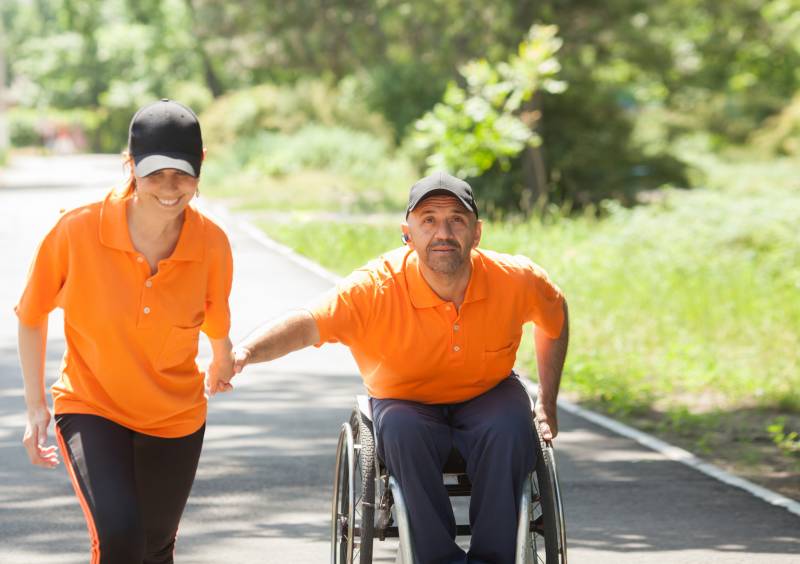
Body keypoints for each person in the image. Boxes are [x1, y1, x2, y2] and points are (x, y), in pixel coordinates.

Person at [230, 171, 569, 564]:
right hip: (406, 401)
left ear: (477, 233)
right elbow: (308, 324)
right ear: (407, 233)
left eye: (456, 220)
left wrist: (548, 403)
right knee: (403, 431)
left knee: (511, 426)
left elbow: (555, 318)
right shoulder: (374, 288)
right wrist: (246, 351)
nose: (443, 233)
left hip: (487, 392)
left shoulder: (516, 279)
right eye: (428, 220)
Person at [16, 99, 235, 563]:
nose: (170, 188)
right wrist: (35, 406)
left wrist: (222, 357)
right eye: (155, 174)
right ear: (130, 165)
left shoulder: (211, 242)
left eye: (183, 173)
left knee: (154, 550)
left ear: (201, 165)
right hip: (92, 405)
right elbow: (31, 314)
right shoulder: (77, 230)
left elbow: (215, 313)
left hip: (175, 417)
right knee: (119, 538)